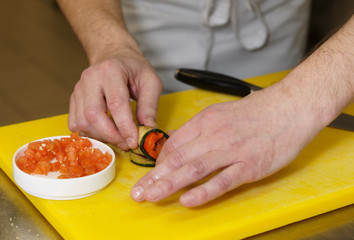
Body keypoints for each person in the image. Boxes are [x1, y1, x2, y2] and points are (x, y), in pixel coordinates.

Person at [57, 0, 354, 207]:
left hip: (273, 23)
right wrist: (111, 44)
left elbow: (299, 99)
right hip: (145, 19)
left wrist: (298, 101)